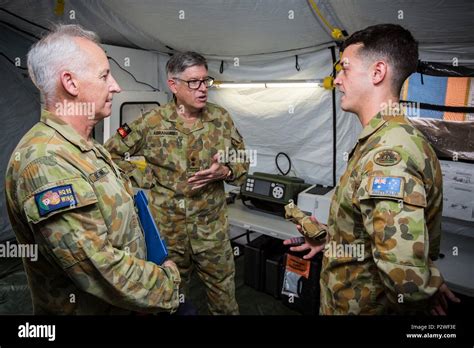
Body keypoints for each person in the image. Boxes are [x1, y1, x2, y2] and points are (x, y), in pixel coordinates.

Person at [4, 24, 181, 315]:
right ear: (70, 83)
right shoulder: (47, 162)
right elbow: (99, 268)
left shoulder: (88, 147)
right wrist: (168, 282)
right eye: (104, 75)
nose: (116, 86)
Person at [284, 24, 460, 315]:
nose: (337, 79)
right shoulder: (389, 138)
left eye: (345, 69)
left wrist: (426, 283)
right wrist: (333, 242)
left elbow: (409, 283)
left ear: (378, 73)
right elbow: (374, 236)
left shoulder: (388, 156)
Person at [105, 51, 248, 315]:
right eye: (194, 82)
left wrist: (226, 172)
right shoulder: (152, 122)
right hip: (169, 235)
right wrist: (147, 176)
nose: (203, 88)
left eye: (206, 81)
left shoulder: (221, 119)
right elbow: (109, 156)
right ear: (174, 85)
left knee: (225, 301)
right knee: (170, 302)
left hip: (212, 232)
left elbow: (242, 161)